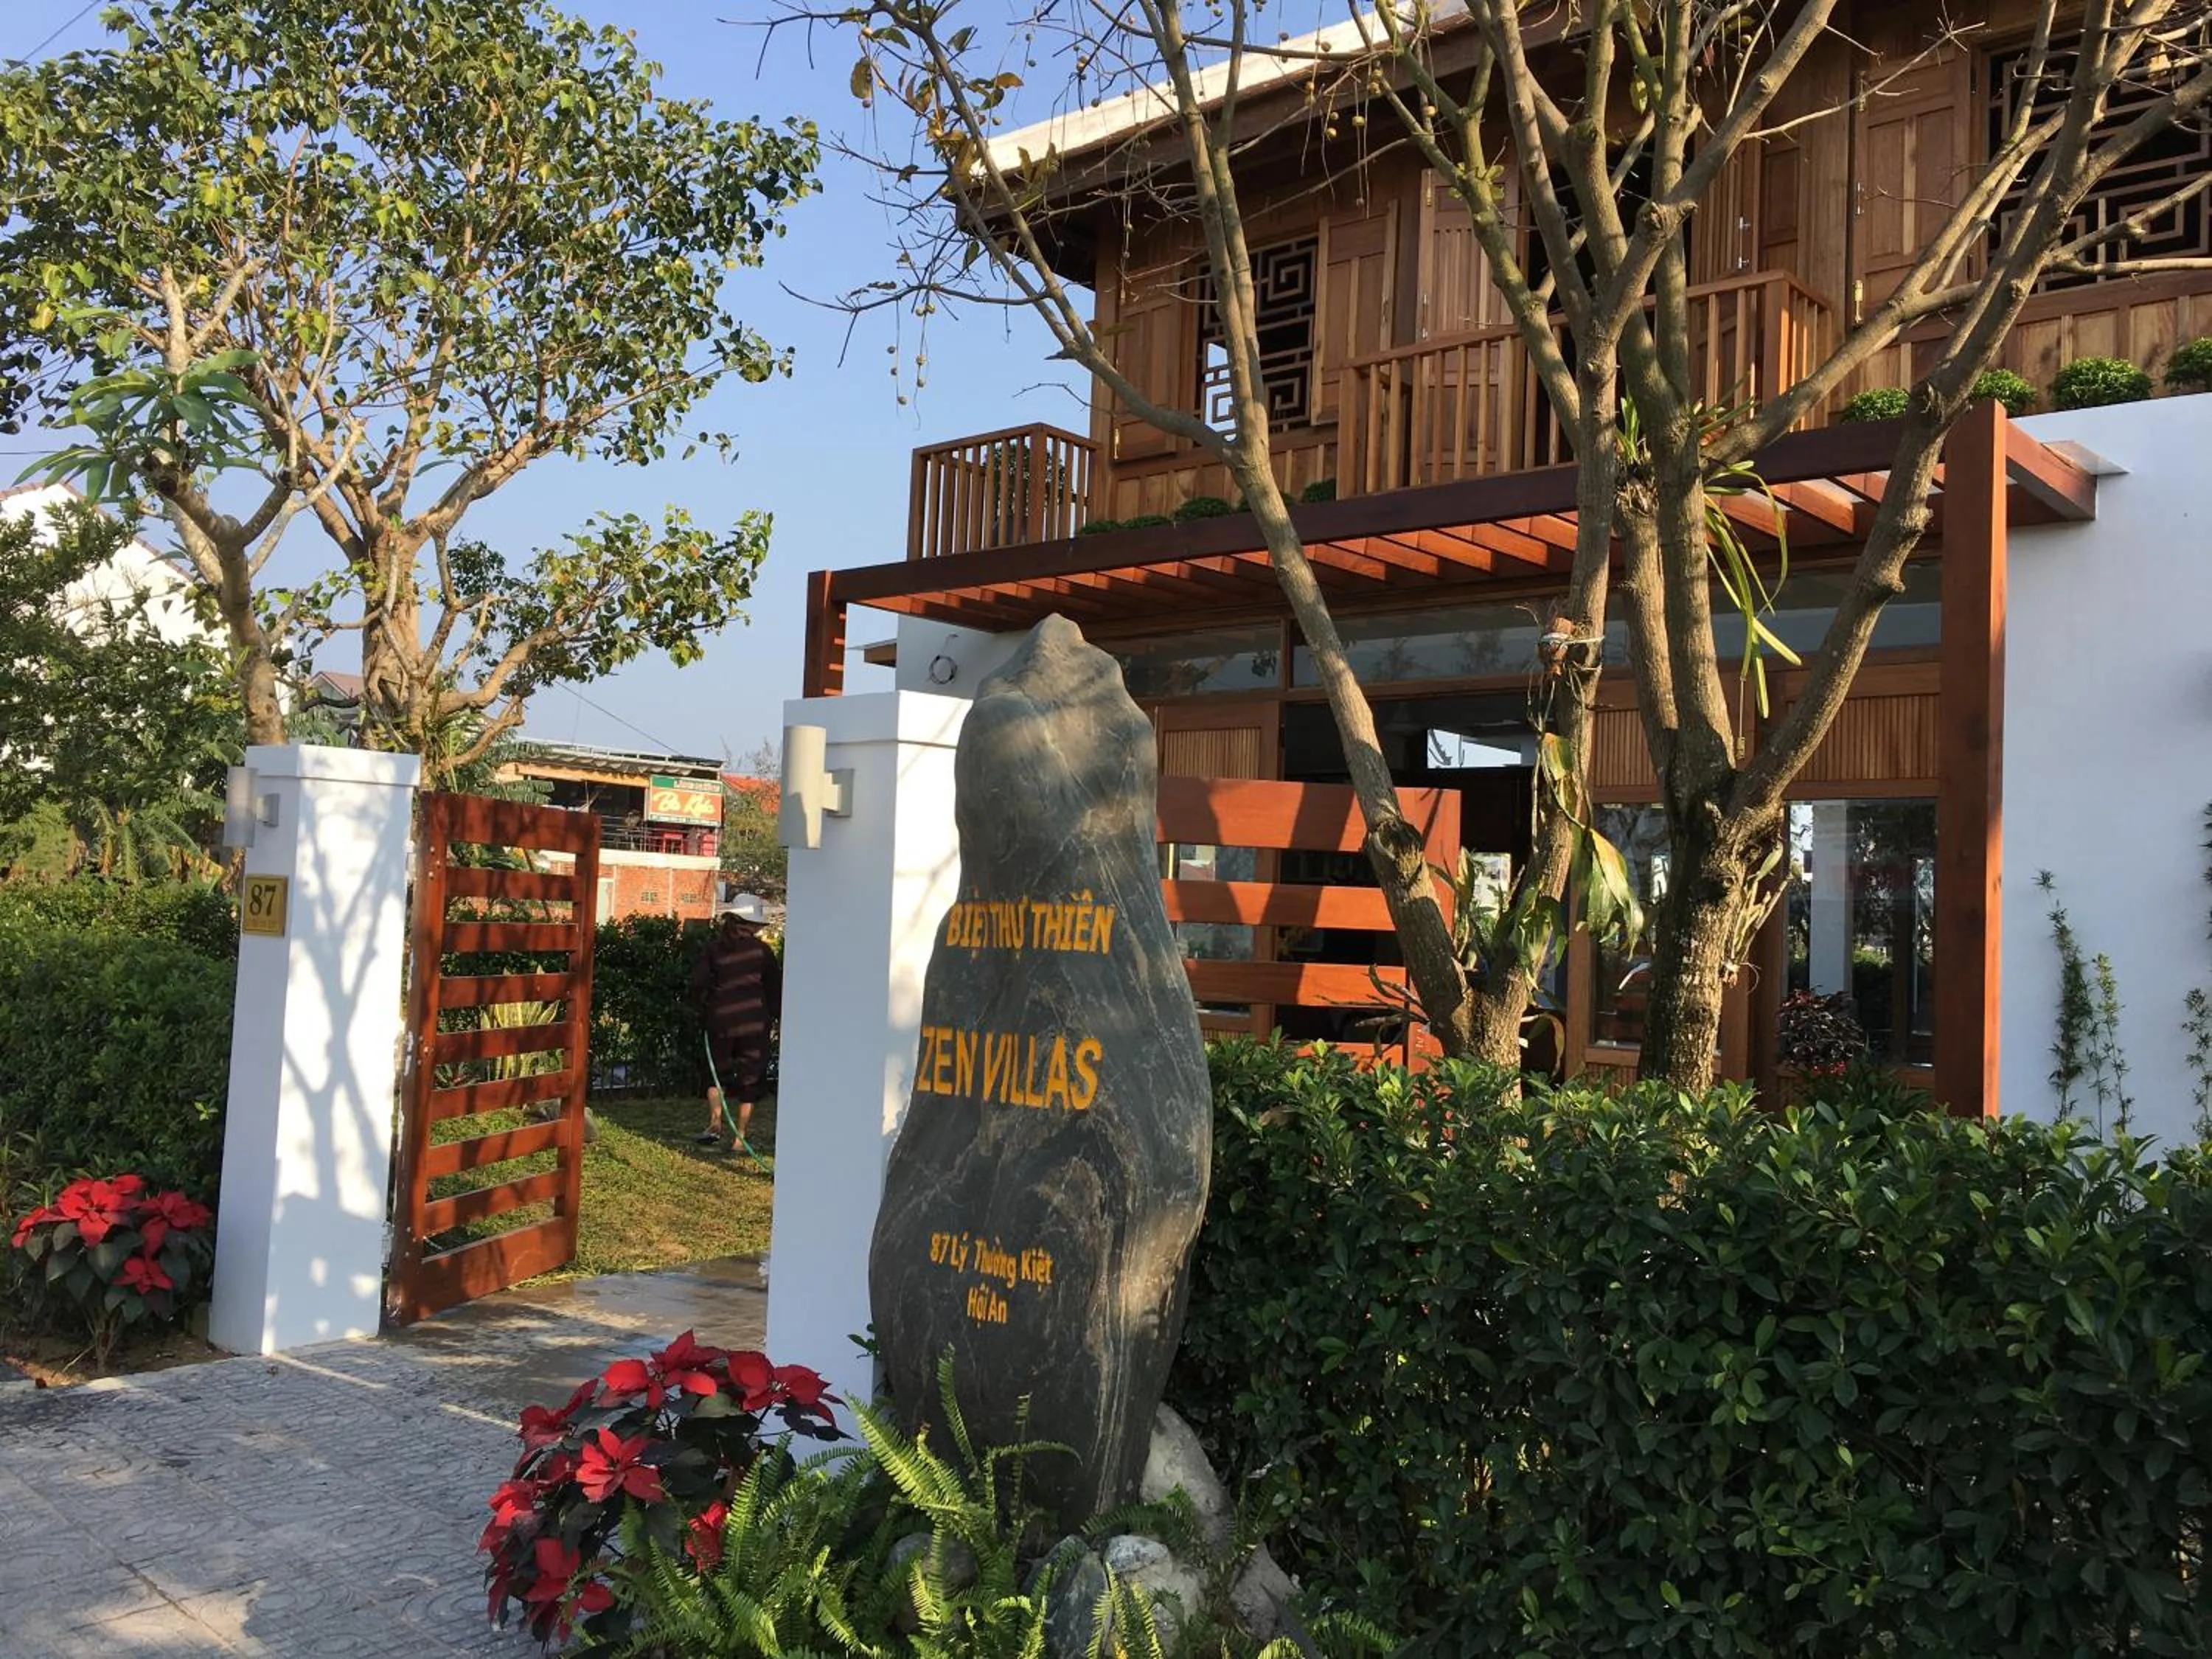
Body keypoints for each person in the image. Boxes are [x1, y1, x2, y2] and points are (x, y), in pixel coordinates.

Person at [692, 894, 782, 1154]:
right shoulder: (762, 952)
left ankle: (715, 1124)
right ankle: (740, 1137)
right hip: (754, 1021)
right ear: (752, 925)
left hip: (720, 1020)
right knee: (750, 1078)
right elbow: (774, 989)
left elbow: (698, 983)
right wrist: (776, 1018)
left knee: (716, 1073)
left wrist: (706, 1008)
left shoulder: (712, 949)